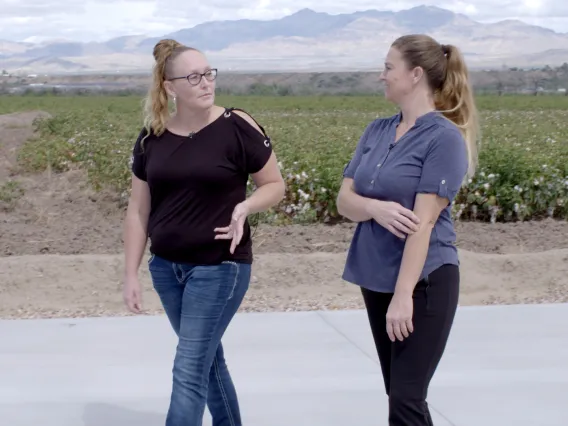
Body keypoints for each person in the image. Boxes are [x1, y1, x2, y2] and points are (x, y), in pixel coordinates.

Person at [121, 39, 285, 426]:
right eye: (193, 77)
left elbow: (274, 185)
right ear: (169, 87)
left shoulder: (237, 127)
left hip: (219, 266)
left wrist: (245, 206)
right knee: (206, 360)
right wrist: (130, 274)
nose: (206, 82)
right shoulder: (151, 137)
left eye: (209, 73)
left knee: (189, 366)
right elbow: (138, 208)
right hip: (166, 269)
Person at [336, 34, 479, 425]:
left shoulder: (444, 139)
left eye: (388, 67)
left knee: (406, 396)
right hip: (376, 278)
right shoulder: (377, 131)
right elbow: (343, 201)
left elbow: (423, 224)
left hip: (424, 283)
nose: (381, 76)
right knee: (397, 391)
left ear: (415, 75)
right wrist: (375, 208)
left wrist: (404, 297)